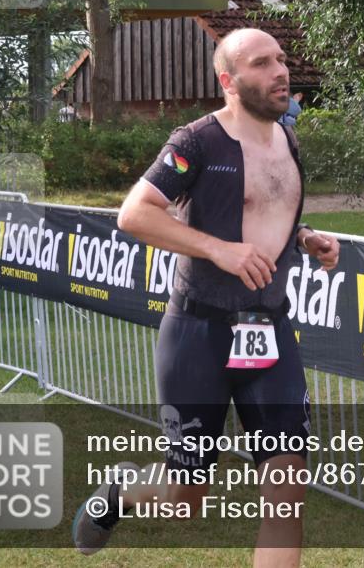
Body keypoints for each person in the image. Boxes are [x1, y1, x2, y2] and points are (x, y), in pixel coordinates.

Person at [73, 28, 339, 566]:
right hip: (199, 334)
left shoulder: (288, 140)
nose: (280, 71)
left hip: (269, 332)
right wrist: (219, 250)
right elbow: (135, 213)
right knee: (184, 501)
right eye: (262, 63)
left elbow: (262, 214)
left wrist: (305, 239)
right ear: (229, 81)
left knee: (288, 492)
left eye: (282, 60)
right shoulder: (196, 140)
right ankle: (123, 490)